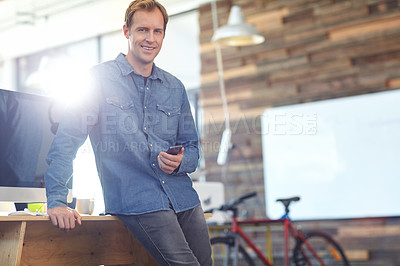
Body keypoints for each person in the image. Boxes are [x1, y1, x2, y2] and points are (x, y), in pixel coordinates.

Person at [44, 0, 212, 265]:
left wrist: (182, 161)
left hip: (184, 199)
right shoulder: (97, 80)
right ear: (127, 32)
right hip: (138, 199)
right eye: (143, 30)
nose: (150, 38)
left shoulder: (175, 87)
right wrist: (56, 200)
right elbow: (66, 143)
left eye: (157, 31)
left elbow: (193, 148)